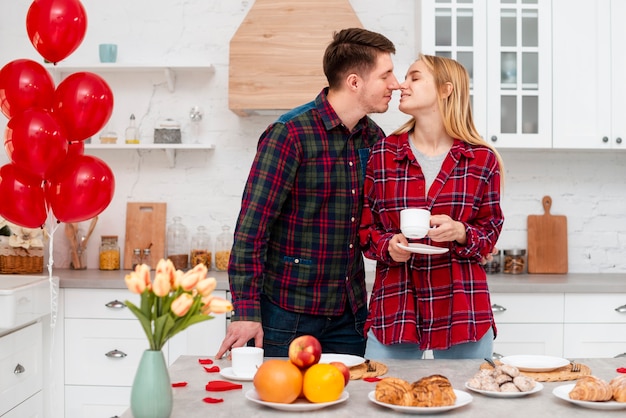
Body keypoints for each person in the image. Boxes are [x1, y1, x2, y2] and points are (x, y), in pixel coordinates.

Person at [216, 28, 400, 359]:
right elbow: (251, 231)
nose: (395, 83)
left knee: (348, 407)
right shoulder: (289, 134)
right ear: (355, 82)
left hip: (350, 315)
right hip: (289, 314)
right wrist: (245, 312)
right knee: (281, 405)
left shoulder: (374, 138)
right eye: (386, 75)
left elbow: (372, 224)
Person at [359, 53, 505, 360]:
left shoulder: (481, 160)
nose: (401, 85)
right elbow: (366, 230)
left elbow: (489, 233)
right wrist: (390, 245)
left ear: (445, 90)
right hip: (396, 307)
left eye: (414, 77)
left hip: (463, 308)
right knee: (383, 399)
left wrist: (460, 232)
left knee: (471, 402)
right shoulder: (383, 154)